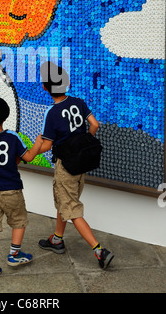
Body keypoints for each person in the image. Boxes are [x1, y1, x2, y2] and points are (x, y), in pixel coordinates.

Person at [37, 61, 114, 269]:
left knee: (72, 209)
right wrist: (84, 143)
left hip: (66, 167)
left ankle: (99, 251)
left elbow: (47, 145)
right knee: (67, 202)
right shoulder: (79, 102)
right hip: (81, 166)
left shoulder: (51, 113)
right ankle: (57, 239)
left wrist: (33, 149)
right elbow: (94, 125)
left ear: (45, 88)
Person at [0, 95, 43, 278]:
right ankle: (14, 254)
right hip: (11, 190)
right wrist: (37, 145)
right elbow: (27, 157)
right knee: (19, 220)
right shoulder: (13, 137)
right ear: (5, 117)